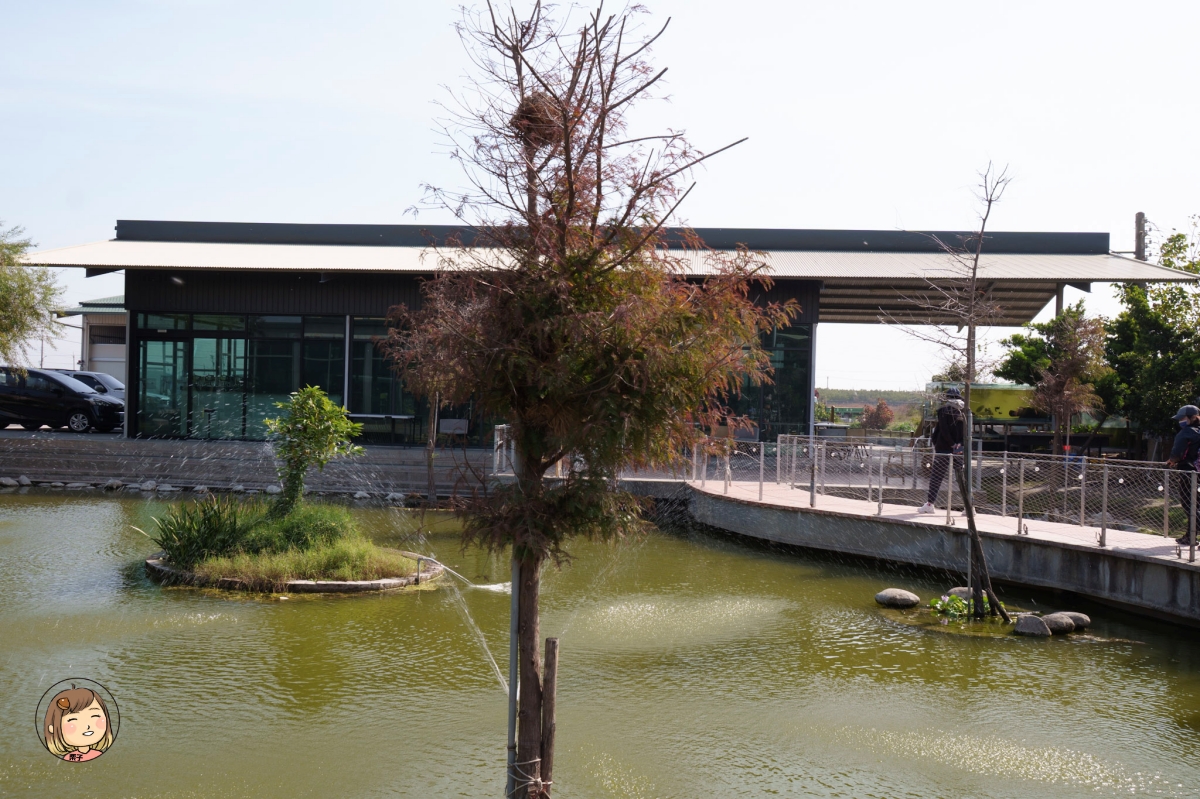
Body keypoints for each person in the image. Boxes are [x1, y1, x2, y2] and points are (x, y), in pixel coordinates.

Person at [919, 387, 965, 514]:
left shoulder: (944, 411)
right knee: (961, 477)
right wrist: (959, 445)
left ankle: (930, 504)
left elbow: (943, 430)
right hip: (959, 448)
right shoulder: (964, 411)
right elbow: (966, 433)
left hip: (944, 448)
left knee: (936, 477)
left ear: (947, 398)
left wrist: (950, 444)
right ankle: (969, 507)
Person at [44, 686, 114, 762]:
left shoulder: (101, 755)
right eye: (73, 720)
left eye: (95, 716)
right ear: (53, 728)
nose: (87, 726)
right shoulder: (69, 758)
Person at [1166, 405, 1200, 545]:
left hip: (1188, 472)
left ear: (1192, 418)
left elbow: (1177, 453)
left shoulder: (1186, 432)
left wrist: (1171, 461)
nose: (1180, 421)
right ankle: (1190, 536)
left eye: (1182, 418)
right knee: (1197, 504)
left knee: (1189, 504)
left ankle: (1190, 537)